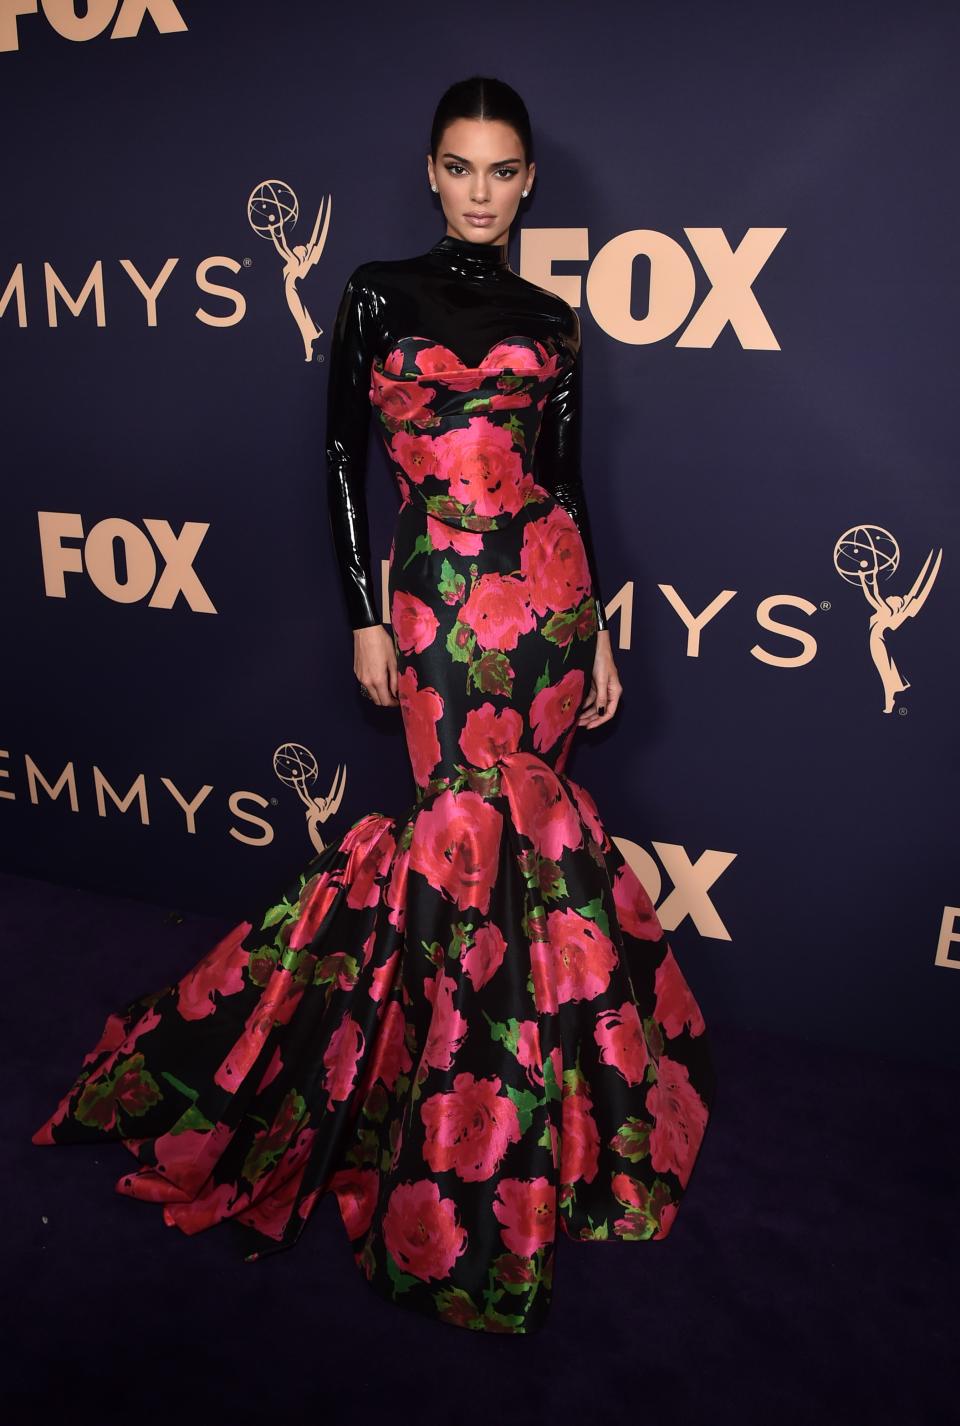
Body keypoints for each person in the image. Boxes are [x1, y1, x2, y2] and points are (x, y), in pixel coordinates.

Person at [31, 75, 716, 1335]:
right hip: (437, 598)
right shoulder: (372, 292)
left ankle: (534, 1112)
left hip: (546, 602)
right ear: (429, 170)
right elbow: (341, 459)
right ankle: (448, 1120)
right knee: (457, 836)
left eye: (503, 171)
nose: (481, 191)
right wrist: (364, 613)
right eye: (460, 166)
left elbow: (562, 484)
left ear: (526, 184)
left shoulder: (555, 318)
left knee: (533, 840)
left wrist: (602, 622)